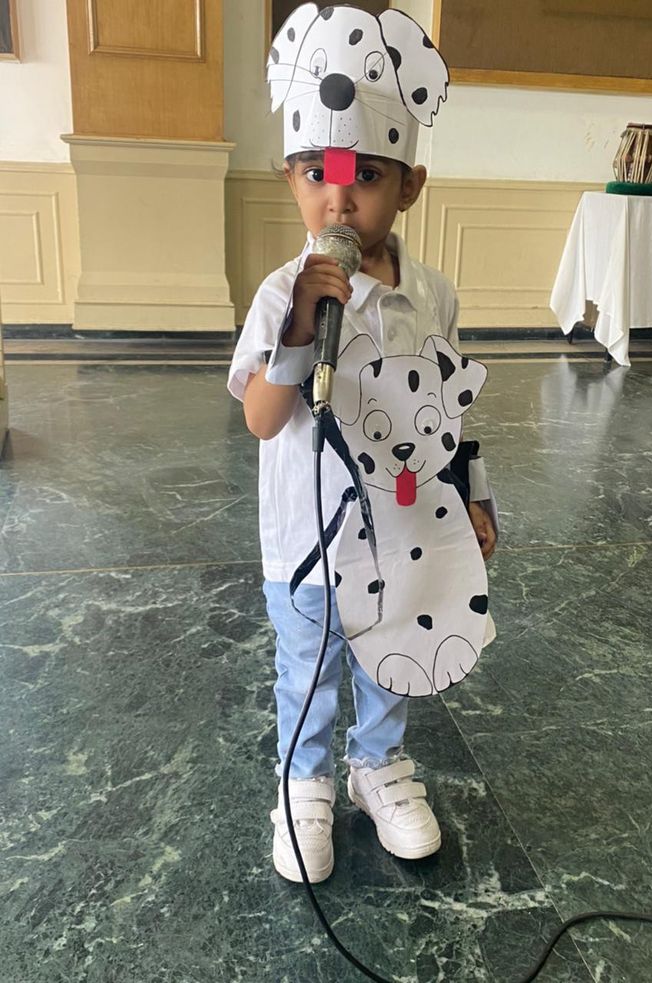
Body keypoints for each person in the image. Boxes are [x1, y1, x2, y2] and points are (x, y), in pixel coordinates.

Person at [227, 3, 496, 884]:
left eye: (363, 175)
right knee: (308, 663)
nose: (336, 197)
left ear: (408, 186)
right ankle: (302, 781)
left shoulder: (434, 295)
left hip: (402, 525)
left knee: (389, 648)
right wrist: (303, 325)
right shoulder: (281, 293)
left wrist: (476, 495)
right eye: (315, 173)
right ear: (291, 177)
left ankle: (376, 764)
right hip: (305, 537)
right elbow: (264, 419)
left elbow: (449, 407)